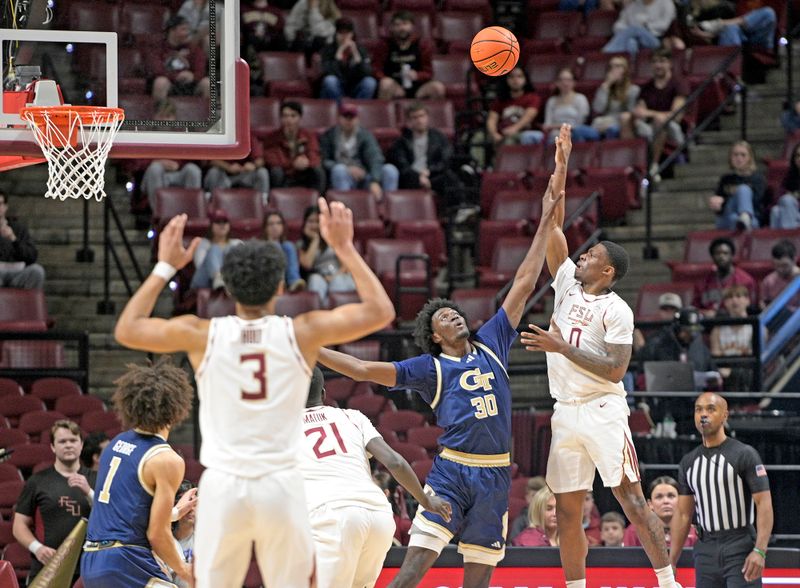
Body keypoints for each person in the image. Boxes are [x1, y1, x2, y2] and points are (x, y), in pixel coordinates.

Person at [315, 135, 566, 587]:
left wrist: (547, 219)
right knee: (411, 572)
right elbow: (360, 370)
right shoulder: (428, 368)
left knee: (478, 581)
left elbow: (526, 282)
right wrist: (302, 342)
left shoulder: (492, 341)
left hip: (494, 476)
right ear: (434, 334)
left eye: (455, 310)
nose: (454, 314)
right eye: (444, 316)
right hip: (451, 471)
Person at [112, 199, 396, 587]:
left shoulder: (203, 334)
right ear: (281, 286)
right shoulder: (301, 332)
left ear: (226, 287)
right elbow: (381, 311)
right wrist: (344, 248)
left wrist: (166, 266)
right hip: (280, 484)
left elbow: (127, 329)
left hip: (226, 483)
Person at [520, 125, 681, 588]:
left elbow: (615, 370)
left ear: (607, 271)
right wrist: (562, 165)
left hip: (603, 409)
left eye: (590, 255)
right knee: (567, 513)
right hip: (564, 411)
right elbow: (553, 226)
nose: (582, 257)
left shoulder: (617, 309)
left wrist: (561, 347)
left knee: (632, 499)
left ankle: (668, 583)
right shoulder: (568, 283)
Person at [299, 366, 452, 588]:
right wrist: (425, 499)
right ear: (324, 394)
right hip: (378, 516)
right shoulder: (352, 417)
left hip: (331, 516)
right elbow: (395, 462)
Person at [81, 360, 198, 588]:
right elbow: (156, 533)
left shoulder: (115, 444)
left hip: (92, 561)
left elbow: (125, 513)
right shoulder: (166, 459)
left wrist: (174, 512)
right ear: (176, 409)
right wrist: (185, 571)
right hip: (126, 559)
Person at [670, 392, 773, 586]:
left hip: (739, 544)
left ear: (725, 415)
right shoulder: (688, 462)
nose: (703, 414)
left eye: (711, 409)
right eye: (698, 409)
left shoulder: (744, 454)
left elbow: (764, 503)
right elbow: (683, 514)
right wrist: (671, 561)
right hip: (705, 548)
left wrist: (760, 550)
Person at [13, 420, 96, 584]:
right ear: (52, 447)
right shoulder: (38, 481)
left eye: (73, 440)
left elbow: (111, 516)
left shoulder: (97, 478)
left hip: (89, 568)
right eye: (62, 441)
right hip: (49, 567)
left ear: (81, 444)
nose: (68, 445)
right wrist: (37, 549)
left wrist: (89, 492)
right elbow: (19, 525)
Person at [387, 102, 460, 210]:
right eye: (415, 117)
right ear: (409, 121)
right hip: (410, 178)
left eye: (422, 116)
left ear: (427, 117)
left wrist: (428, 171)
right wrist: (418, 177)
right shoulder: (401, 141)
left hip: (432, 175)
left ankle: (456, 213)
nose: (419, 120)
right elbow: (401, 165)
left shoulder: (439, 137)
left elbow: (446, 160)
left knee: (450, 178)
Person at [320, 103, 399, 201]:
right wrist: (348, 168)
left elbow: (375, 157)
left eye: (352, 117)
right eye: (345, 117)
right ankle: (345, 206)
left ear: (357, 119)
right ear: (339, 118)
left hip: (365, 176)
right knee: (339, 169)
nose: (349, 121)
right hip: (342, 176)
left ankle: (387, 207)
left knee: (390, 170)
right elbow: (323, 160)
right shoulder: (329, 136)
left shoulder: (366, 135)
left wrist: (375, 180)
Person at [633, 48, 688, 181]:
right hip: (650, 127)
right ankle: (634, 169)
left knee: (660, 122)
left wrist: (652, 114)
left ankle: (653, 166)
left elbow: (676, 115)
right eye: (655, 62)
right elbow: (639, 112)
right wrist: (656, 115)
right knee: (630, 121)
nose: (658, 65)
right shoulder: (646, 87)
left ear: (670, 63)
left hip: (673, 129)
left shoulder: (678, 84)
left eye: (662, 61)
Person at [471, 66, 543, 168]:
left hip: (521, 132)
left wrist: (514, 128)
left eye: (519, 76)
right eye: (512, 77)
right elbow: (492, 119)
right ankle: (478, 168)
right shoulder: (501, 99)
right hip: (501, 132)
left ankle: (500, 168)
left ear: (525, 79)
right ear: (507, 80)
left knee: (509, 140)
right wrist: (494, 134)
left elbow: (529, 116)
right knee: (479, 137)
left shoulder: (532, 98)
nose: (515, 80)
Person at [140, 101, 203, 208]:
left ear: (174, 118)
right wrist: (157, 162)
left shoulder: (181, 134)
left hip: (178, 174)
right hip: (154, 177)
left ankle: (191, 212)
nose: (164, 120)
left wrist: (178, 164)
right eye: (161, 116)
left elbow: (192, 158)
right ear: (154, 117)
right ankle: (159, 213)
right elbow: (135, 163)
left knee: (193, 170)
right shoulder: (145, 135)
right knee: (155, 168)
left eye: (168, 116)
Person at [373, 11, 445, 101]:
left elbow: (429, 73)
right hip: (394, 84)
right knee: (385, 84)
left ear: (412, 26)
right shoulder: (384, 45)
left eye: (405, 24)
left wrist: (417, 75)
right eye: (397, 25)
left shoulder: (422, 45)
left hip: (417, 86)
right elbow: (376, 70)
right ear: (391, 28)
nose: (401, 28)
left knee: (438, 87)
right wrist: (385, 79)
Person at [297, 205, 356, 305]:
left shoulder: (334, 239)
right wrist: (315, 240)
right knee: (315, 281)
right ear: (305, 224)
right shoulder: (301, 244)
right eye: (311, 221)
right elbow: (307, 264)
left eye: (317, 221)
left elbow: (346, 265)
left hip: (339, 274)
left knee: (337, 282)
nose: (314, 225)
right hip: (319, 276)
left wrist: (333, 277)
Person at [263, 100, 326, 194]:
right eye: (285, 116)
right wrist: (293, 163)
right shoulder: (272, 138)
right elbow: (272, 160)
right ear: (280, 118)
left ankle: (318, 201)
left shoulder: (309, 136)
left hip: (304, 174)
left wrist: (307, 163)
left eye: (293, 116)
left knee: (318, 171)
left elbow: (315, 155)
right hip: (284, 175)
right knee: (276, 172)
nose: (289, 120)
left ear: (300, 118)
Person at [148, 15, 210, 102]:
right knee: (160, 82)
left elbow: (201, 70)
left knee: (207, 83)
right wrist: (176, 76)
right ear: (172, 31)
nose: (187, 33)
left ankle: (208, 114)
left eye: (188, 30)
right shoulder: (158, 48)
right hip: (169, 83)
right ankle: (161, 113)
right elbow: (157, 70)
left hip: (189, 84)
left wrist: (193, 76)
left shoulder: (194, 48)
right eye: (183, 29)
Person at [624, 476, 698, 548]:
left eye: (671, 496)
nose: (666, 501)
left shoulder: (693, 533)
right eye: (659, 497)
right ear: (650, 504)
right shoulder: (634, 532)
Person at [710, 285, 758, 393]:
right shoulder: (717, 329)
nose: (734, 300)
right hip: (726, 374)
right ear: (725, 303)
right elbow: (716, 356)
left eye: (738, 296)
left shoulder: (756, 328)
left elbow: (757, 358)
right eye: (729, 297)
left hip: (749, 373)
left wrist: (733, 372)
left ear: (747, 300)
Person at [709, 141, 766, 231]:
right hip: (726, 219)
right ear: (730, 157)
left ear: (750, 158)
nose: (739, 158)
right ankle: (744, 218)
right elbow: (720, 208)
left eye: (743, 155)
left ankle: (745, 217)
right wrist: (716, 204)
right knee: (733, 218)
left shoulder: (757, 179)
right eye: (735, 155)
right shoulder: (726, 179)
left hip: (751, 219)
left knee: (743, 190)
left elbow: (757, 203)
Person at [695, 237, 757, 316]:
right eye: (717, 253)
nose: (721, 257)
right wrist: (706, 313)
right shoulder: (702, 283)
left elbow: (752, 309)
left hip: (738, 322)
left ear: (732, 255)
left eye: (725, 253)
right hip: (709, 324)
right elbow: (695, 309)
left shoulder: (746, 281)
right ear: (712, 256)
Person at [203, 131, 270, 204]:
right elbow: (211, 160)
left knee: (262, 172)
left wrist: (253, 165)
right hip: (224, 175)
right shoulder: (219, 136)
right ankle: (210, 201)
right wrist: (228, 167)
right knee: (213, 172)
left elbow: (260, 160)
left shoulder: (249, 136)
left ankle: (263, 201)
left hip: (245, 174)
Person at [319, 17, 377, 102]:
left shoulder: (360, 50)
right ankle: (342, 109)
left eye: (347, 33)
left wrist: (357, 56)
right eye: (341, 33)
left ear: (352, 34)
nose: (344, 36)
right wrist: (338, 55)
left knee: (370, 82)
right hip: (336, 87)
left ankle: (358, 111)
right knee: (330, 80)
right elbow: (326, 71)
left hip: (354, 85)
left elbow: (367, 72)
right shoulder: (327, 50)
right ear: (336, 34)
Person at [689, 0, 776, 52]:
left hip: (760, 37)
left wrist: (719, 23)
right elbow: (724, 32)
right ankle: (729, 75)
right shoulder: (735, 4)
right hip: (740, 38)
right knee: (731, 27)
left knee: (768, 13)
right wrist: (704, 34)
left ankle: (719, 23)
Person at [0, 191, 45, 289]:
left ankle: (22, 303)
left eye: (0, 204)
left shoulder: (19, 228)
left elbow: (32, 256)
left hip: (18, 272)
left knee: (37, 271)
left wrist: (13, 239)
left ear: (5, 206)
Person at [189, 209, 243, 290]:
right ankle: (219, 278)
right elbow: (200, 265)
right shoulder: (203, 243)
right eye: (218, 222)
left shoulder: (237, 243)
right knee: (215, 248)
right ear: (211, 225)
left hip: (231, 279)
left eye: (225, 222)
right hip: (205, 280)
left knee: (231, 249)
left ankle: (224, 281)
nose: (222, 225)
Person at [542, 68, 600, 144]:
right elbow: (547, 125)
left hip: (575, 133)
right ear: (557, 82)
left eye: (568, 80)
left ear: (574, 82)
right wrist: (556, 128)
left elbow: (579, 124)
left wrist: (558, 126)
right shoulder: (551, 101)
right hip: (555, 133)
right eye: (562, 80)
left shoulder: (580, 99)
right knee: (555, 136)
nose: (565, 83)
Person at [602, 0, 676, 57]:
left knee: (636, 28)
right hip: (634, 39)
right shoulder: (634, 5)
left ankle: (606, 53)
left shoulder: (666, 3)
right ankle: (632, 68)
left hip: (656, 40)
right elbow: (617, 26)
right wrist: (628, 30)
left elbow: (664, 25)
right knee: (631, 43)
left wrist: (646, 26)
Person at [591, 56, 640, 139]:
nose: (613, 70)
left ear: (625, 70)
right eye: (611, 67)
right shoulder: (605, 88)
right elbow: (598, 109)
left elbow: (630, 114)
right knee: (580, 131)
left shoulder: (633, 90)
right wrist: (606, 85)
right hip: (602, 123)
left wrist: (611, 122)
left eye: (617, 66)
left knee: (612, 130)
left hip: (620, 125)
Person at [261, 210, 305, 292]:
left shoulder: (287, 246)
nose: (275, 227)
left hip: (286, 280)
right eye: (271, 224)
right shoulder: (260, 246)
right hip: (267, 281)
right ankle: (279, 283)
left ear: (283, 226)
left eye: (278, 223)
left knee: (288, 246)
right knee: (275, 246)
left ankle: (293, 281)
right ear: (265, 228)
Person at [760, 239, 800, 311]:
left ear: (794, 259)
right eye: (777, 265)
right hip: (777, 318)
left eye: (785, 265)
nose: (780, 270)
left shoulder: (798, 279)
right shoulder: (768, 281)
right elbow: (763, 303)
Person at [172, 480, 196, 588]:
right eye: (186, 503)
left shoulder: (206, 541)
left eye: (194, 502)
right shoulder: (160, 540)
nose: (190, 508)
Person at [770, 143, 800, 229]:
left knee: (787, 200)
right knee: (775, 211)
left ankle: (788, 239)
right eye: (797, 156)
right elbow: (777, 200)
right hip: (792, 215)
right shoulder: (789, 178)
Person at [508, 476, 547, 541]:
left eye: (539, 496)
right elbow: (513, 546)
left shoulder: (552, 518)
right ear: (527, 497)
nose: (536, 499)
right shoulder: (521, 521)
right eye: (533, 495)